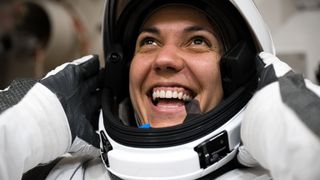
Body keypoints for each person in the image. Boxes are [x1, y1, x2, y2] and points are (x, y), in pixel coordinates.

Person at [0, 0, 320, 180]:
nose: (164, 59)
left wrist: (282, 117)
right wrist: (34, 118)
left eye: (198, 41)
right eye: (149, 42)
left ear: (237, 73)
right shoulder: (63, 174)